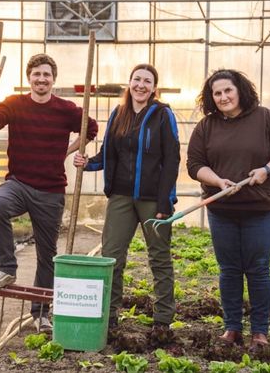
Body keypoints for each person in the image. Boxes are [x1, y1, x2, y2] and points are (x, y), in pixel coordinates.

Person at [0, 53, 98, 332]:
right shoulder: (15, 104)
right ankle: (7, 268)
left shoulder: (66, 109)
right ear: (28, 78)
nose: (41, 79)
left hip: (51, 190)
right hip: (19, 183)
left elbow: (91, 128)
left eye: (46, 74)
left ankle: (41, 313)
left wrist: (67, 151)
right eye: (36, 74)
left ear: (53, 79)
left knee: (47, 254)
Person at [186, 69, 270, 349]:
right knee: (229, 269)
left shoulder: (265, 118)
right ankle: (232, 328)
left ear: (240, 91)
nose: (223, 97)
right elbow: (194, 164)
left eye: (228, 90)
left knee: (258, 268)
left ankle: (260, 331)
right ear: (211, 98)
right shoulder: (206, 127)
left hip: (260, 209)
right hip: (222, 209)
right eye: (217, 93)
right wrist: (217, 181)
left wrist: (265, 170)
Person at [73, 64, 180, 343]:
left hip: (152, 200)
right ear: (129, 83)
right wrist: (88, 163)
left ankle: (163, 320)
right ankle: (108, 316)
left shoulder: (163, 115)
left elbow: (172, 159)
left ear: (154, 88)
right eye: (136, 80)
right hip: (120, 197)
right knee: (112, 258)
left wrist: (165, 201)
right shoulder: (118, 114)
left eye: (147, 81)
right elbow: (109, 152)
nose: (141, 85)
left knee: (159, 257)